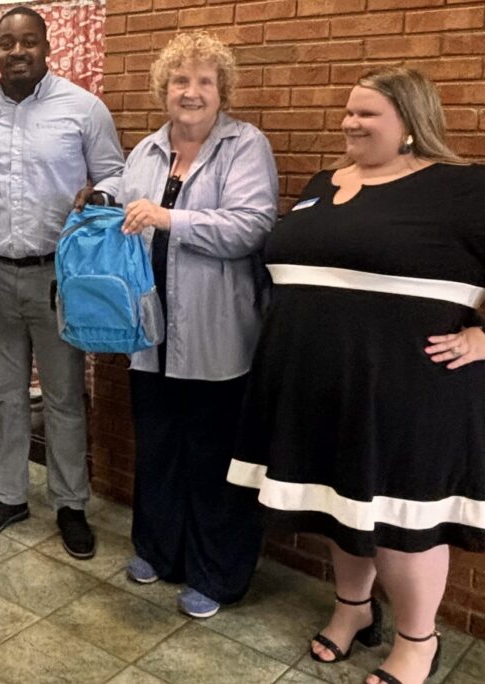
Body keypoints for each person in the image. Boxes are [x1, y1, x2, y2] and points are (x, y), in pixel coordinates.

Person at [229, 67, 485, 684]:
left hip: (410, 388)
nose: (350, 122)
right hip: (315, 381)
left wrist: (484, 335)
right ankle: (352, 609)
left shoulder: (463, 187)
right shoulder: (325, 182)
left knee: (405, 523)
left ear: (410, 123)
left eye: (367, 113)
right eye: (349, 111)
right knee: (340, 504)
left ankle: (418, 641)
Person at [83, 31, 277, 619]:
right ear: (162, 88)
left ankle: (216, 574)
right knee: (160, 448)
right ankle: (158, 550)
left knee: (214, 459)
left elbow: (251, 224)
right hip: (149, 334)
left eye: (204, 82)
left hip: (217, 337)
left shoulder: (246, 145)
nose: (190, 92)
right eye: (179, 81)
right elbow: (123, 191)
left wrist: (170, 219)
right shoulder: (146, 150)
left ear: (223, 92)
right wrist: (98, 195)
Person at [0, 6, 124, 559]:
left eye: (28, 42)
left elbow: (116, 173)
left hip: (60, 275)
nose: (17, 51)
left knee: (63, 397)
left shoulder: (83, 108)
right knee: (4, 397)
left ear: (47, 46)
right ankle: (8, 495)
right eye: (7, 43)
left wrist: (100, 194)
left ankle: (70, 503)